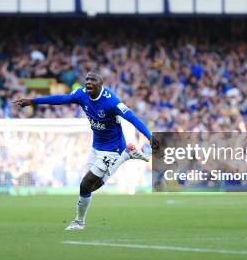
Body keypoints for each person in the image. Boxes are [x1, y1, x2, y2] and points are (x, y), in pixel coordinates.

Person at [15, 71, 158, 231]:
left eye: (92, 80)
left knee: (85, 183)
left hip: (113, 148)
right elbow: (60, 99)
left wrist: (149, 136)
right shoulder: (81, 95)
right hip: (96, 147)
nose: (88, 82)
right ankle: (126, 156)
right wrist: (33, 101)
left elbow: (132, 118)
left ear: (100, 84)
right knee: (88, 188)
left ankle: (79, 222)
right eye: (87, 80)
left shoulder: (112, 102)